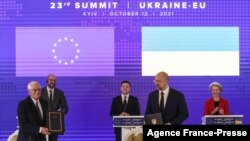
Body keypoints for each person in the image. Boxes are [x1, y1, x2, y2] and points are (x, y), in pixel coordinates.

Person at [41, 74, 69, 141]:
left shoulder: (60, 93)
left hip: (55, 123)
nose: (53, 82)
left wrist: (61, 114)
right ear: (47, 81)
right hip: (42, 122)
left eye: (54, 80)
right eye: (51, 80)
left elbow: (65, 107)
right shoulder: (40, 92)